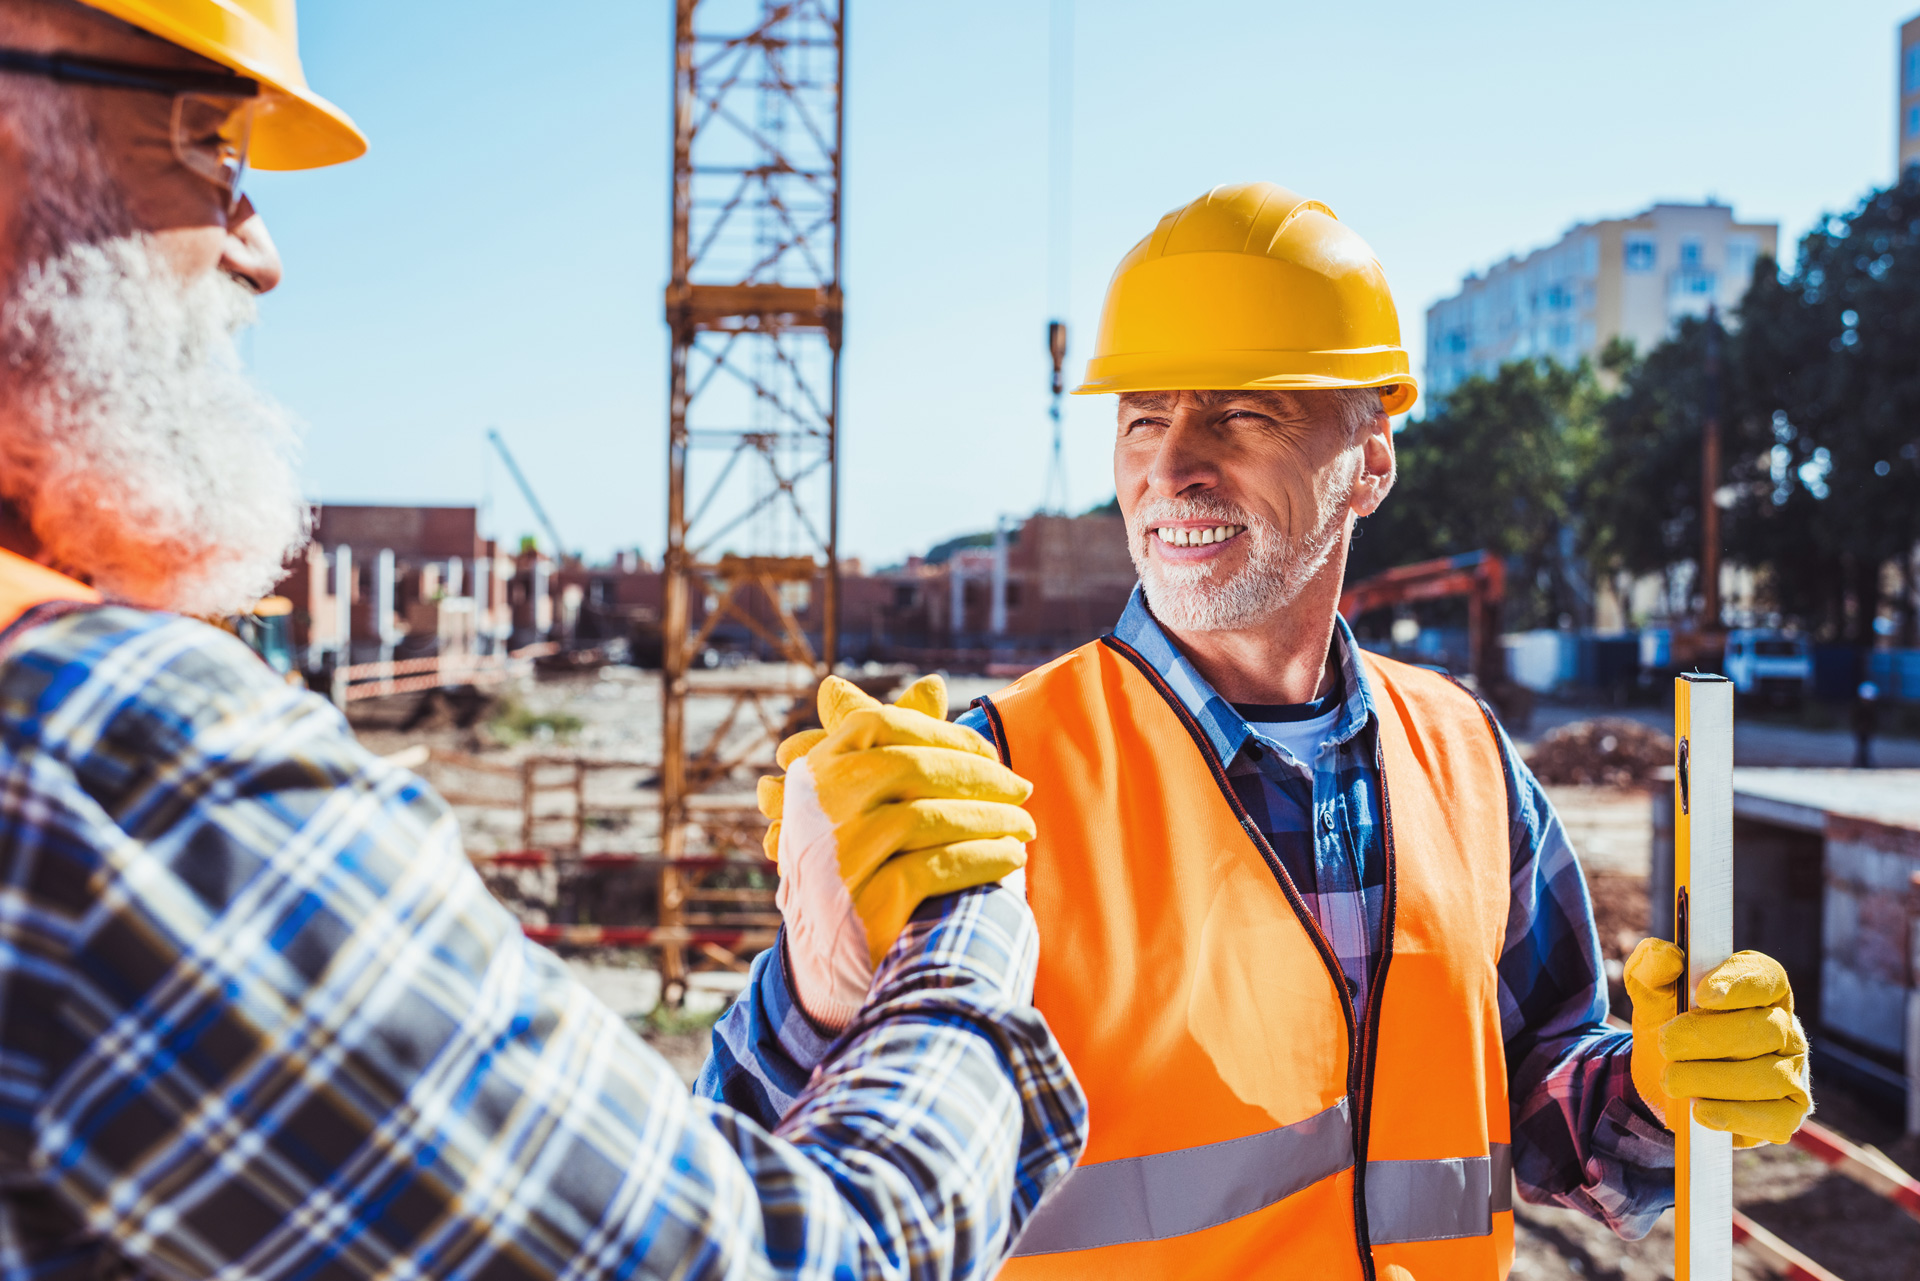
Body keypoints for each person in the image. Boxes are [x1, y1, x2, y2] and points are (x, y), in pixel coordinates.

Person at [0, 2, 1084, 1278]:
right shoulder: (115, 755)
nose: (264, 251)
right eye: (211, 147)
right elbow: (810, 1262)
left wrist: (813, 1016)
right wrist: (962, 933)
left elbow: (563, 1218)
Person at [706, 183, 1814, 1279]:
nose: (1173, 464)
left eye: (1241, 414)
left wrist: (1659, 1094)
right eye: (1144, 415)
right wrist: (816, 990)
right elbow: (764, 1199)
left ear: (1371, 459)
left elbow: (1544, 1104)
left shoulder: (1463, 754)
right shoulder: (992, 780)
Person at [1853, 679, 1879, 768]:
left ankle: (1863, 762)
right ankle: (1860, 763)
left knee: (1865, 746)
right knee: (1862, 746)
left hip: (1867, 730)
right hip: (1860, 730)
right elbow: (1854, 719)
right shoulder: (1858, 707)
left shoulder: (1873, 709)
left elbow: (1874, 721)